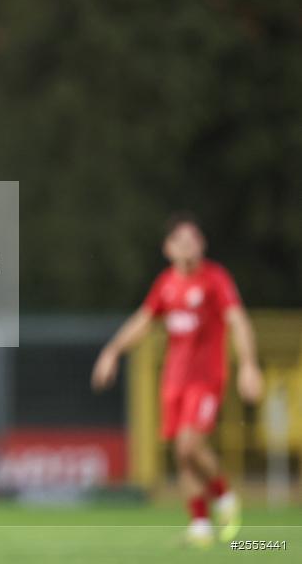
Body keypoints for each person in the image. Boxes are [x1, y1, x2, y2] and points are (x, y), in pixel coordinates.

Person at [91, 212, 263, 547]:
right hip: (174, 382)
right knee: (181, 455)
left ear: (203, 244)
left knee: (189, 445)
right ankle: (200, 525)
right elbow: (143, 321)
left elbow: (238, 320)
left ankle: (225, 497)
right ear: (167, 248)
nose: (188, 246)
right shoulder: (166, 284)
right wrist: (112, 352)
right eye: (180, 241)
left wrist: (248, 364)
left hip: (206, 379)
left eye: (193, 239)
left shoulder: (215, 279)